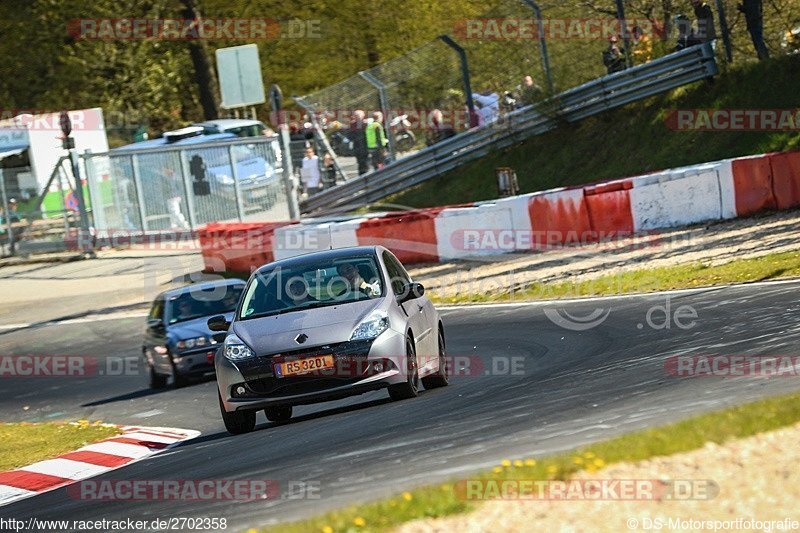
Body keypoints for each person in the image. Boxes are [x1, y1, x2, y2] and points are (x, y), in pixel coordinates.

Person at [350, 110, 369, 175]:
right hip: (357, 147)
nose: (357, 117)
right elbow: (351, 136)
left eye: (358, 115)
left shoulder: (366, 123)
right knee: (360, 163)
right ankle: (362, 175)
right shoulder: (353, 124)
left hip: (365, 146)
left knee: (365, 162)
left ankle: (366, 174)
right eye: (356, 116)